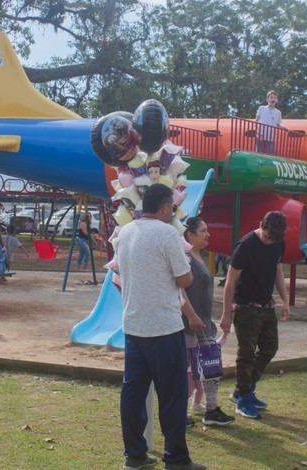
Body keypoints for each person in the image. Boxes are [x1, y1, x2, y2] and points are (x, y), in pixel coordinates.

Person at [116, 183, 206, 470]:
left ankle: (135, 454)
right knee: (172, 395)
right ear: (166, 207)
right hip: (164, 327)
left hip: (134, 325)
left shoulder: (127, 231)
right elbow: (184, 279)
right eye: (173, 208)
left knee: (133, 392)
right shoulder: (167, 233)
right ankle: (176, 458)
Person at [220, 210, 290, 419]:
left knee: (270, 348)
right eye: (267, 237)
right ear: (261, 224)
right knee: (246, 353)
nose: (269, 242)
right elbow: (230, 281)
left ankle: (244, 389)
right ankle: (244, 398)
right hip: (245, 307)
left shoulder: (278, 243)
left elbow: (278, 271)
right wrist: (226, 314)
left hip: (267, 306)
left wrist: (285, 300)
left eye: (273, 239)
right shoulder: (246, 246)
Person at [182, 216, 235, 426]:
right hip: (188, 326)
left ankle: (211, 410)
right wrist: (191, 315)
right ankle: (180, 413)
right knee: (186, 372)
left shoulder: (200, 257)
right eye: (203, 231)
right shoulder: (185, 259)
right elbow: (179, 291)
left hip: (204, 325)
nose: (208, 234)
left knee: (211, 367)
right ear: (190, 235)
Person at [255, 90, 282, 155]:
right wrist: (257, 132)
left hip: (271, 138)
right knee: (259, 155)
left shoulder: (278, 112)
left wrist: (286, 128)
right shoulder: (261, 108)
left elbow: (278, 125)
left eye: (275, 98)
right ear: (267, 99)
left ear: (277, 100)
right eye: (271, 97)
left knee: (271, 156)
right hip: (261, 137)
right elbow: (256, 121)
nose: (273, 99)